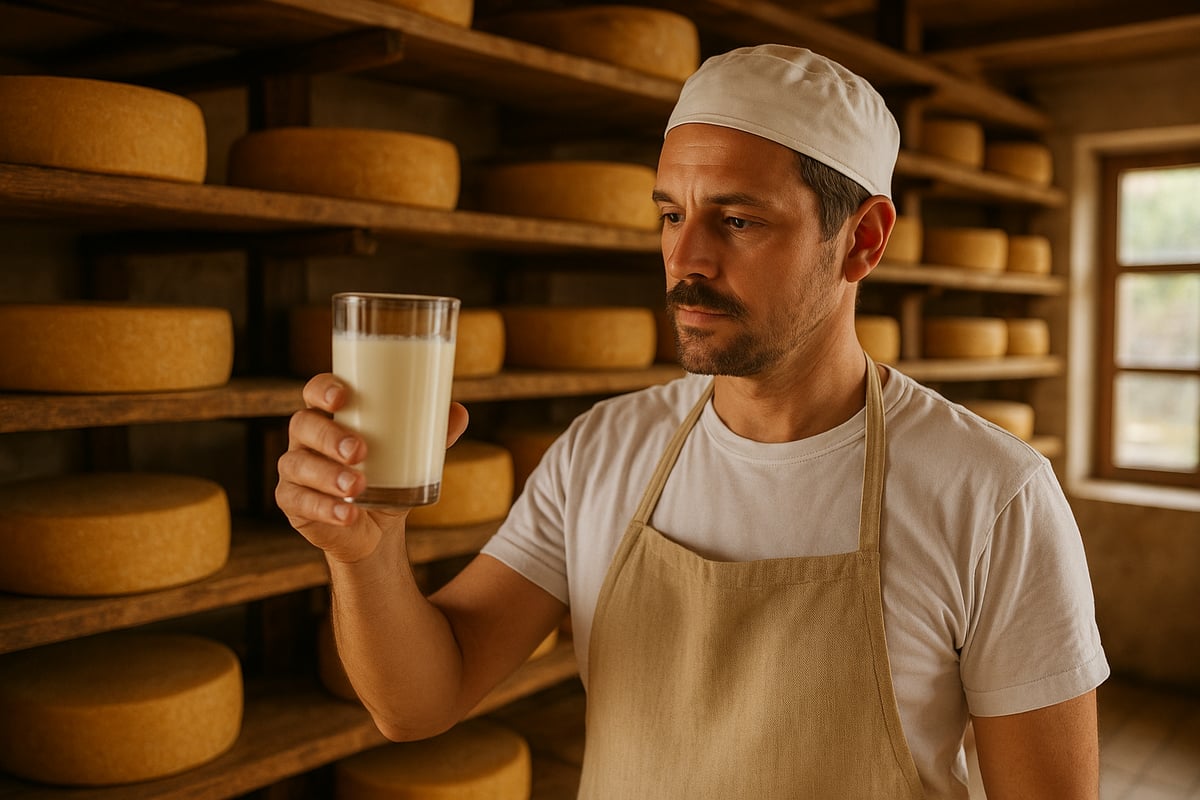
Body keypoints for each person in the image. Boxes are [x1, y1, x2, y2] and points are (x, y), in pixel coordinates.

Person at [277, 45, 1108, 799]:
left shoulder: (993, 497)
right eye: (671, 214)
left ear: (862, 241)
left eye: (738, 221)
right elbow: (422, 700)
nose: (686, 261)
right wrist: (367, 550)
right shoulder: (602, 450)